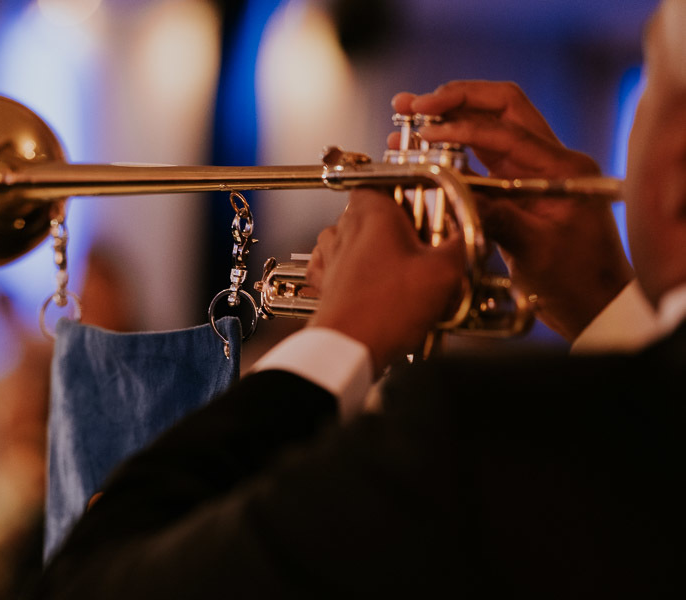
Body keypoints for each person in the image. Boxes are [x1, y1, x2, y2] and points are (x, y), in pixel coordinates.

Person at [34, 0, 686, 596]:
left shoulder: (463, 432)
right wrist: (603, 302)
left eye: (651, 79)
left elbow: (88, 582)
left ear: (677, 164)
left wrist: (340, 335)